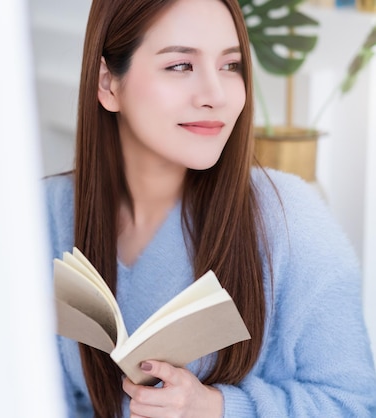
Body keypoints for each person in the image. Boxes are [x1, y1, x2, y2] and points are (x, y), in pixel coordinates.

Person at [43, 0, 376, 416]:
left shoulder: (292, 221)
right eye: (181, 65)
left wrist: (216, 408)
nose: (216, 95)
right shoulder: (47, 214)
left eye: (231, 65)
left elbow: (355, 405)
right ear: (109, 83)